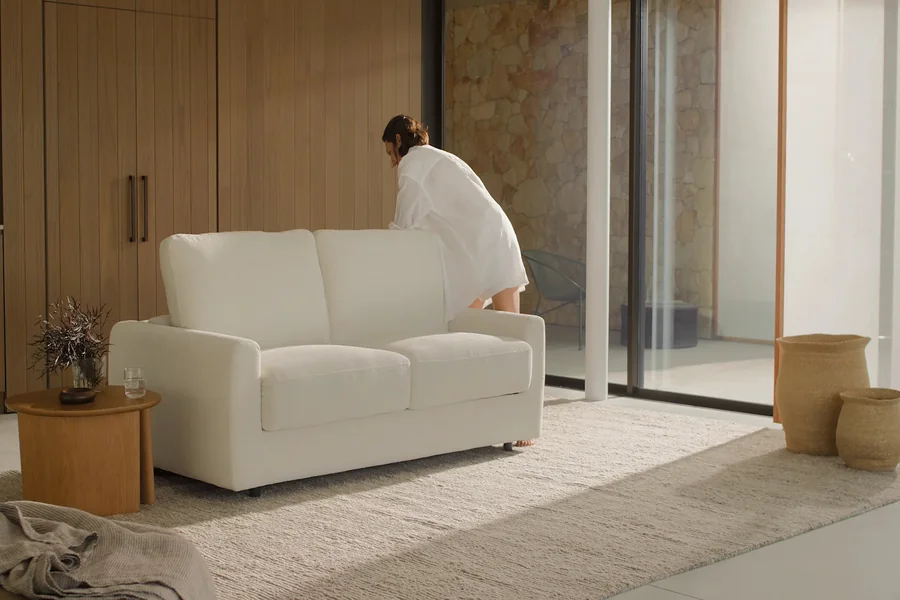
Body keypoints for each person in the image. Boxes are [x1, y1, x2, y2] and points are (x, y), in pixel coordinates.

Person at [382, 114, 533, 447]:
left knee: (508, 335)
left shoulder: (412, 166)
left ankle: (519, 424)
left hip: (487, 244)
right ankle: (491, 415)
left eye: (390, 152)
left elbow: (404, 225)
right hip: (490, 238)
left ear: (398, 141)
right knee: (474, 332)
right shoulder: (439, 158)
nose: (392, 161)